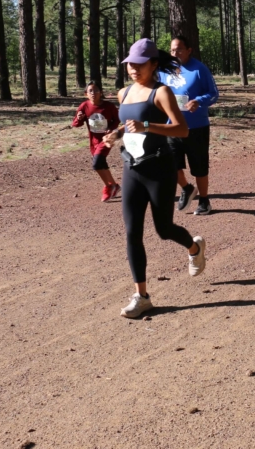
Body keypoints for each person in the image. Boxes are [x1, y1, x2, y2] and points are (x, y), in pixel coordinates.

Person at [102, 38, 206, 319]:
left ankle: (194, 247)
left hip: (159, 168)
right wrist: (117, 134)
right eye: (130, 64)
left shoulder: (161, 93)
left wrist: (148, 125)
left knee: (164, 230)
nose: (133, 69)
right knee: (132, 233)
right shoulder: (124, 93)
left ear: (153, 64)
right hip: (131, 168)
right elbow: (129, 123)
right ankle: (142, 296)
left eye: (139, 64)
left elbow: (181, 130)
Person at [160, 36, 220, 215]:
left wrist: (199, 101)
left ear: (189, 50)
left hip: (196, 127)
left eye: (179, 49)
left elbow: (213, 94)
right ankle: (186, 188)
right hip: (172, 126)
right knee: (171, 165)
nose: (175, 53)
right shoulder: (164, 70)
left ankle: (204, 200)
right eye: (172, 50)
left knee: (199, 167)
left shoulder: (199, 69)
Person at [71, 82, 121, 202]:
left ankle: (109, 187)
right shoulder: (84, 106)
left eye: (96, 90)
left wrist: (111, 129)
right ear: (86, 94)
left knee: (97, 163)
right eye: (90, 91)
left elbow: (117, 119)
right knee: (101, 163)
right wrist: (79, 118)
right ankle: (115, 185)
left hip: (106, 139)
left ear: (101, 92)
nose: (93, 93)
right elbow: (76, 124)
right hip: (93, 141)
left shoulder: (108, 106)